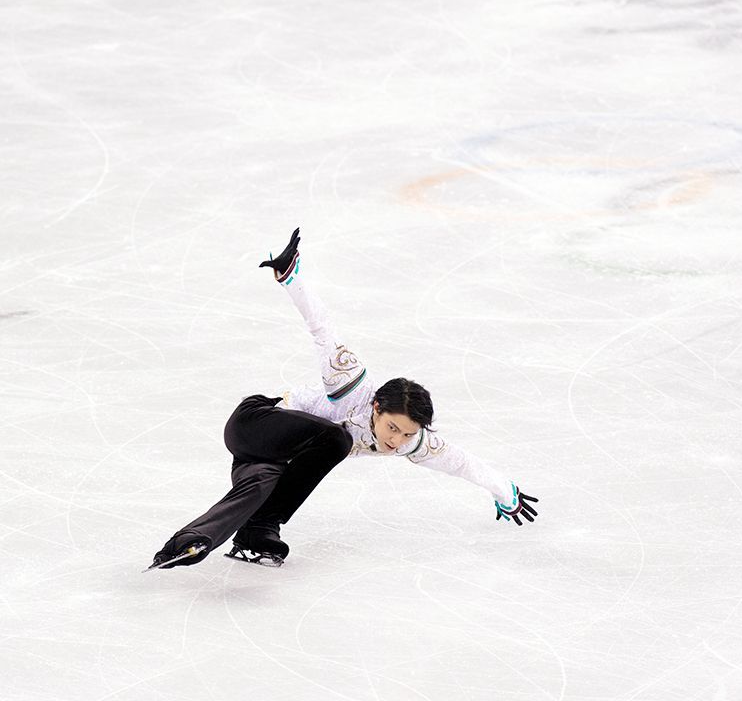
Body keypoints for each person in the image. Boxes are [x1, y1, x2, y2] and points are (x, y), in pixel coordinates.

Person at [148, 228, 538, 570]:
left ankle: (200, 541)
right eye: (393, 428)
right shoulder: (351, 382)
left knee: (257, 489)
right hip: (256, 422)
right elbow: (321, 329)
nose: (396, 441)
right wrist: (290, 277)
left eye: (406, 436)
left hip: (271, 457)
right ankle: (257, 525)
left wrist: (505, 492)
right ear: (376, 407)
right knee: (337, 439)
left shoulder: (411, 441)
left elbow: (460, 462)